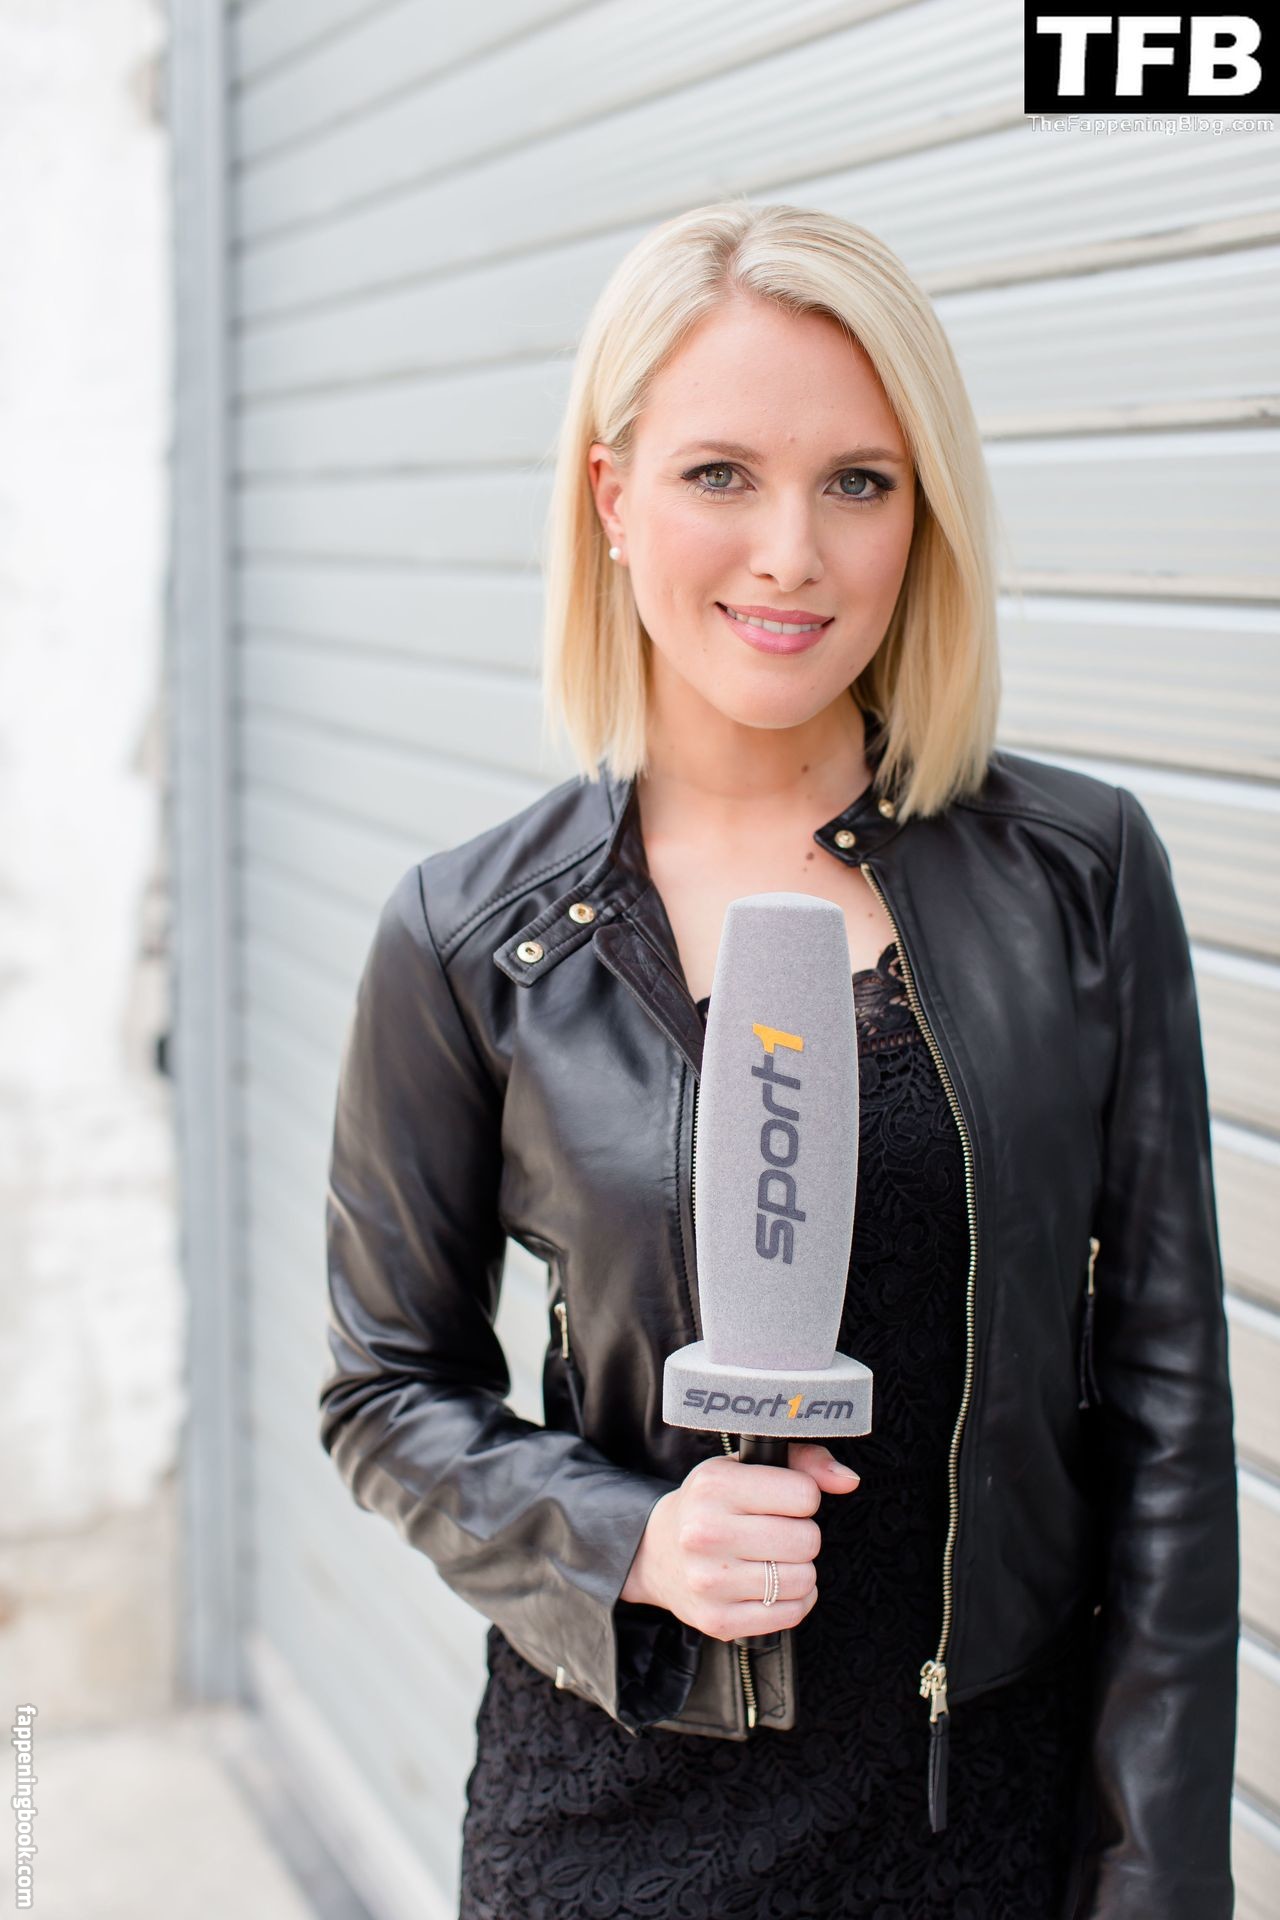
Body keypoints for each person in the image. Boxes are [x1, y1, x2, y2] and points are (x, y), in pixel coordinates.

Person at [319, 200, 1239, 1918]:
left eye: (858, 482)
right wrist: (630, 1537)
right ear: (613, 499)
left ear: (924, 512)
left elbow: (1169, 1412)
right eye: (721, 475)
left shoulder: (1077, 878)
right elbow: (384, 1393)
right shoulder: (470, 937)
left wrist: (1158, 1881)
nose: (792, 554)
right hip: (613, 1828)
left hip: (983, 1823)